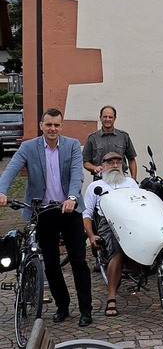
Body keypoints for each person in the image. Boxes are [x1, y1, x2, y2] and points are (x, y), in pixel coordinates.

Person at [0, 108, 93, 326]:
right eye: (48, 125)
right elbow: (11, 169)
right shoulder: (28, 147)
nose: (52, 129)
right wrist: (2, 191)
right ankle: (62, 306)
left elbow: (77, 175)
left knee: (79, 261)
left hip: (69, 210)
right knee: (50, 263)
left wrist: (71, 197)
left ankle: (86, 310)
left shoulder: (71, 145)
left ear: (62, 126)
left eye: (57, 125)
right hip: (42, 211)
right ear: (41, 125)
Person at [82, 152, 138, 317]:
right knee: (118, 251)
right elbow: (86, 214)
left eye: (118, 162)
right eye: (110, 162)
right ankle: (111, 297)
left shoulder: (130, 183)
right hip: (108, 222)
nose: (114, 165)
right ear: (103, 166)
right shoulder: (96, 186)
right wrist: (91, 236)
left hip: (131, 220)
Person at [83, 105, 138, 181]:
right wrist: (95, 168)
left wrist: (133, 179)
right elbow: (86, 162)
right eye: (105, 117)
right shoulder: (92, 138)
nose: (107, 119)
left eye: (110, 117)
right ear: (100, 118)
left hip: (120, 179)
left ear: (115, 118)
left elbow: (131, 159)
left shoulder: (124, 136)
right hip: (100, 180)